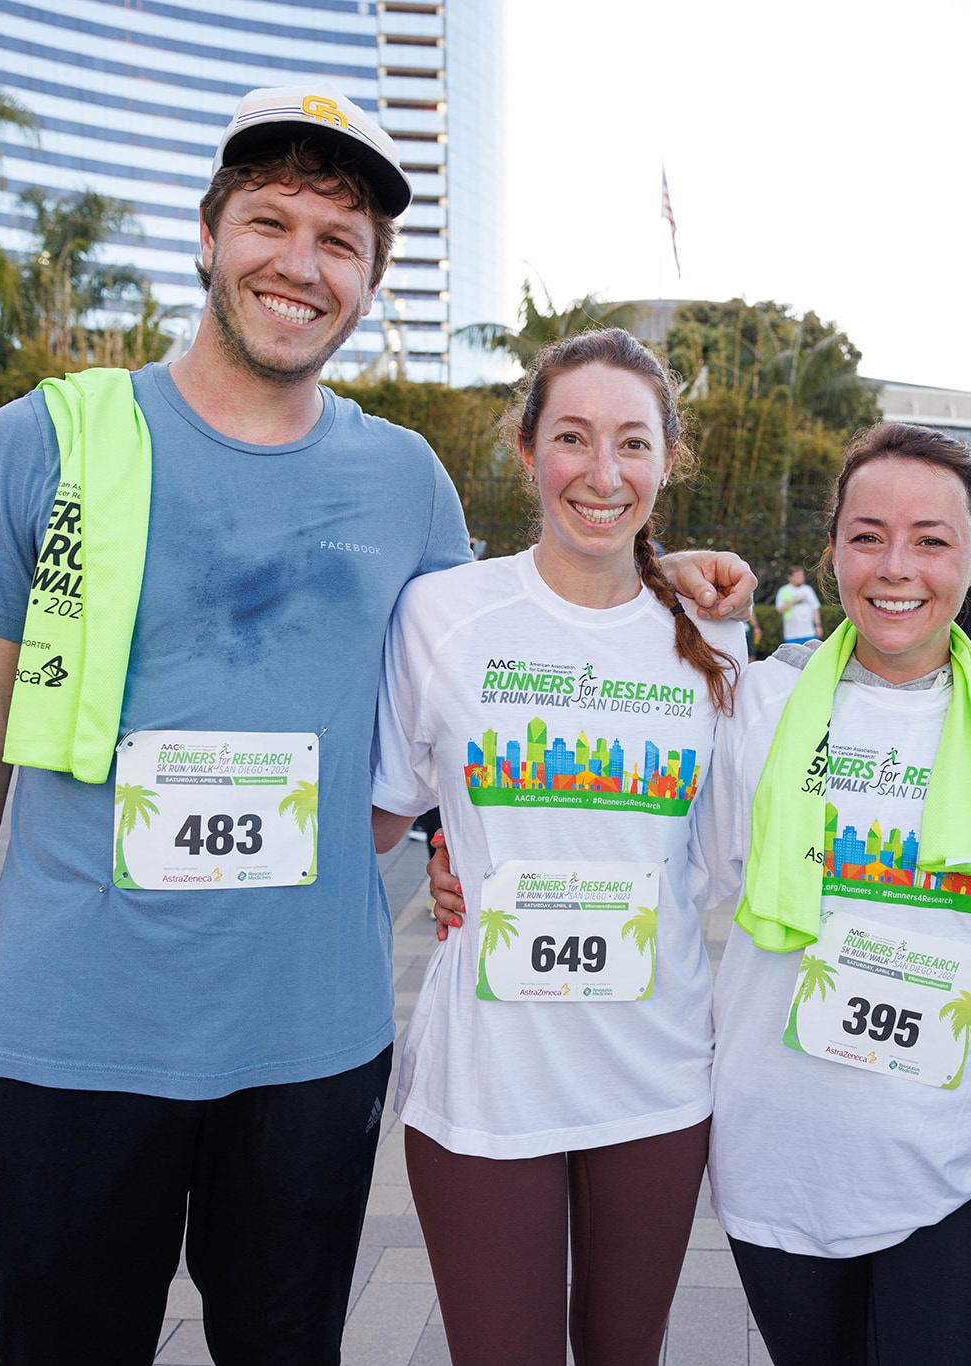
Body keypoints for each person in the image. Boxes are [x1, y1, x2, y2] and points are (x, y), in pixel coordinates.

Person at [0, 85, 752, 1364]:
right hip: (70, 1048)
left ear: (367, 281)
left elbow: (505, 651)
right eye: (271, 222)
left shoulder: (401, 482)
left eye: (340, 242)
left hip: (309, 1055)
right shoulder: (45, 443)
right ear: (209, 233)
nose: (300, 265)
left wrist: (667, 577)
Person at [374, 329, 743, 1365]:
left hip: (655, 1077)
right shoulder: (441, 613)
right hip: (487, 1082)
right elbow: (388, 807)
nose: (601, 471)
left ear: (667, 460)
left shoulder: (713, 635)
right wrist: (446, 855)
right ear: (528, 446)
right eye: (572, 437)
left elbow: (718, 856)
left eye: (632, 442)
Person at [693, 424, 971, 1365]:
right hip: (774, 1162)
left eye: (931, 540)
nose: (895, 567)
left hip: (959, 1161)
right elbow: (648, 837)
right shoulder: (751, 707)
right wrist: (464, 854)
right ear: (831, 549)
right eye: (867, 535)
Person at [775, 564, 822, 645]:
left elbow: (815, 608)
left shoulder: (808, 590)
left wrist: (818, 625)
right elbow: (780, 609)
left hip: (809, 632)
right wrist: (796, 600)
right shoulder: (784, 591)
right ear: (790, 578)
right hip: (792, 635)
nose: (801, 578)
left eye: (802, 576)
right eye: (797, 576)